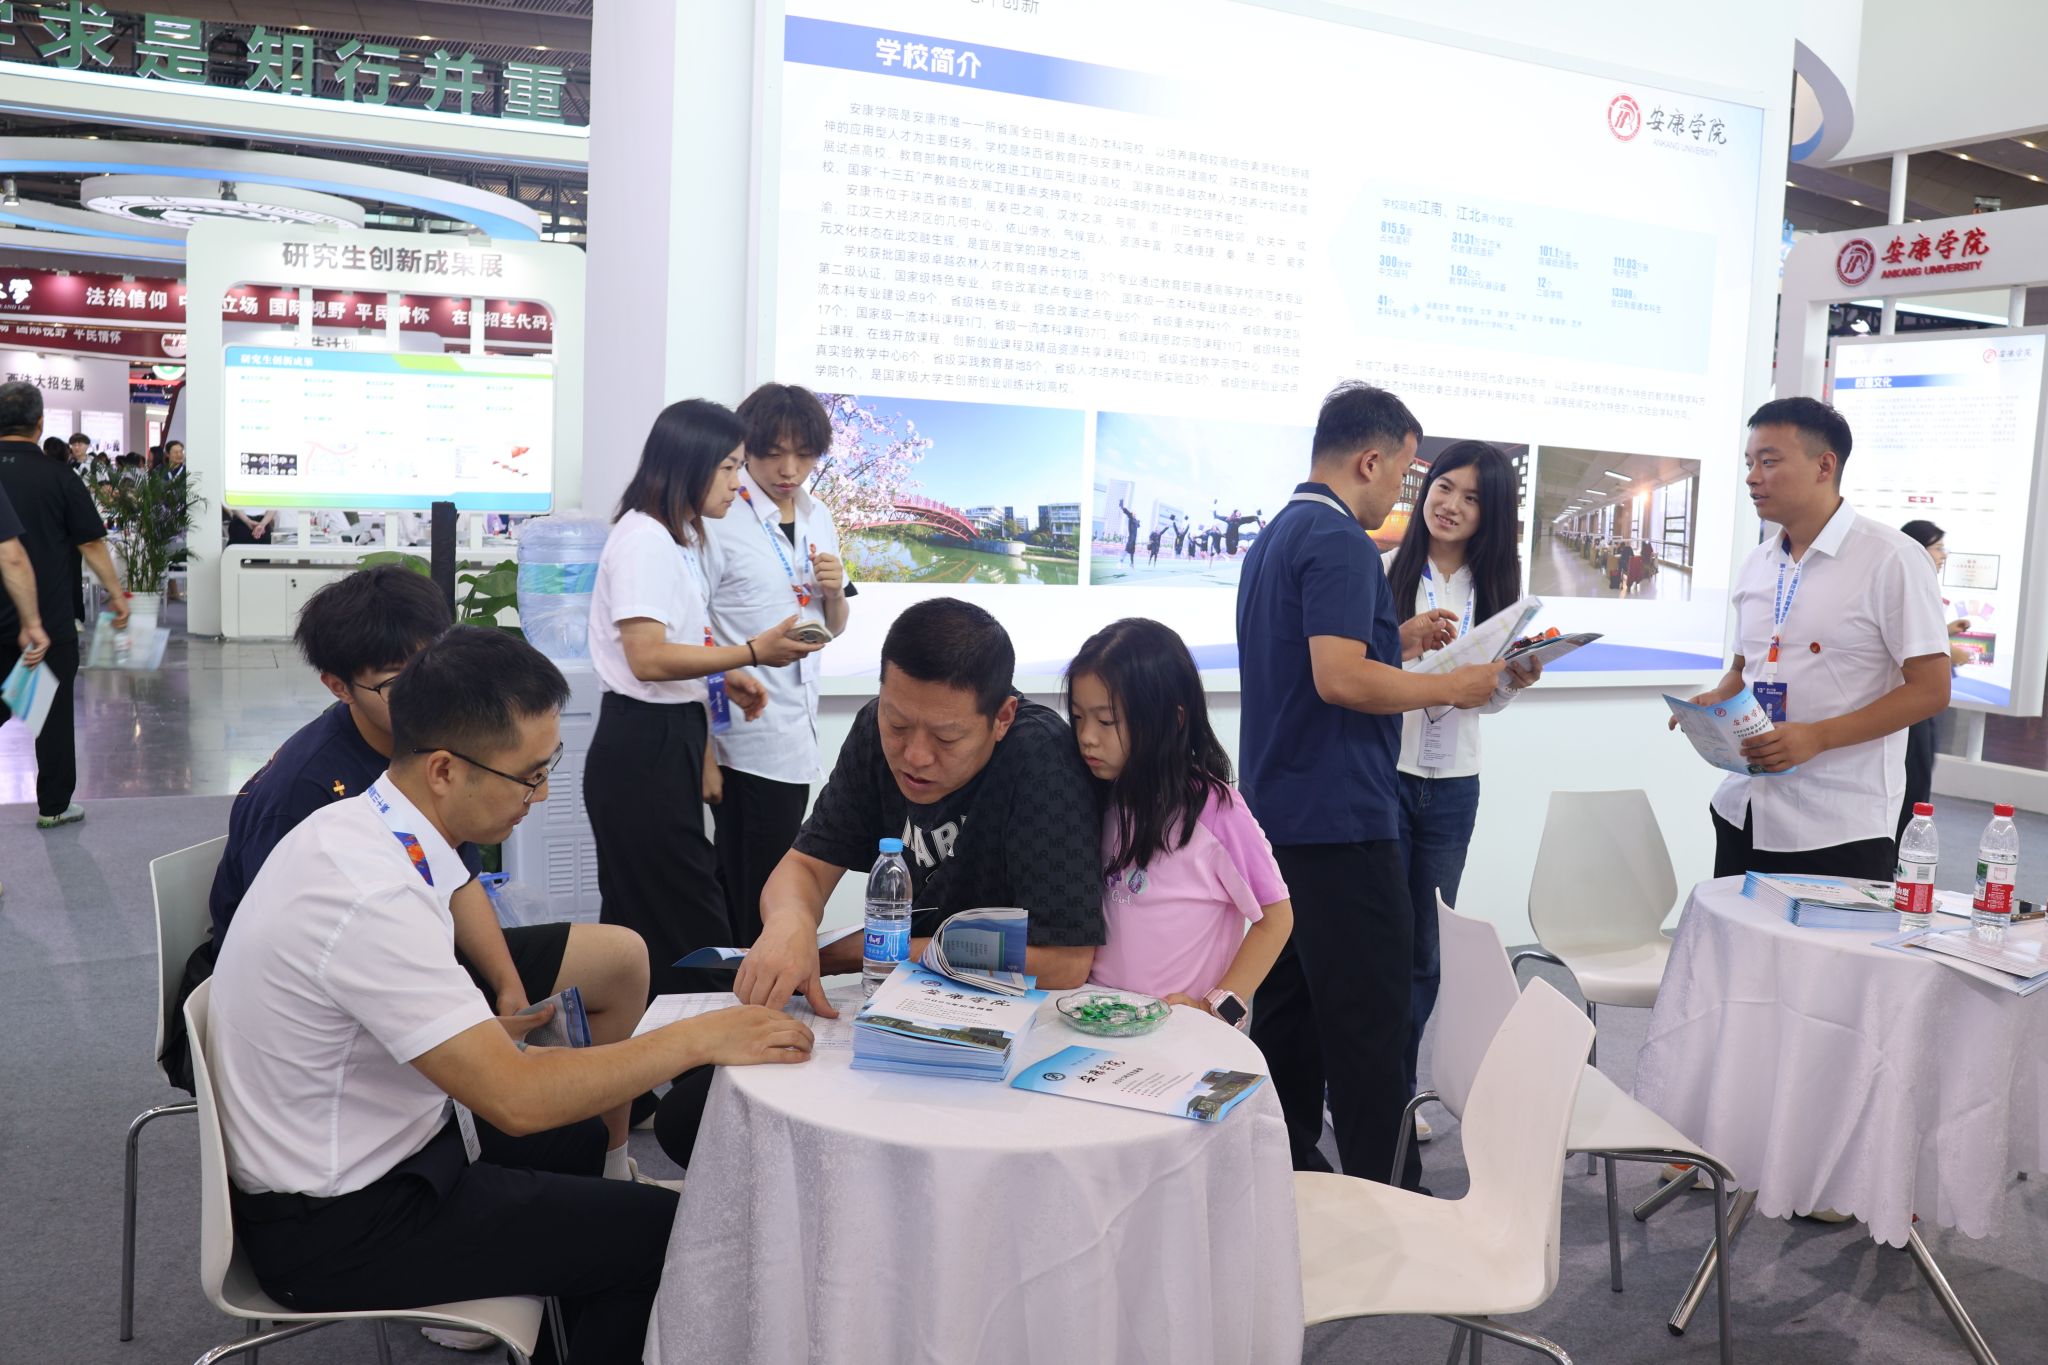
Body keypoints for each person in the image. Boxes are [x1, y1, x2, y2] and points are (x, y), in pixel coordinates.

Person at [207, 625, 815, 1363]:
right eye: (529, 775)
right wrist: (698, 1037)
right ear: (443, 769)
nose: (542, 793)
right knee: (668, 1236)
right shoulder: (371, 895)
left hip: (384, 1150)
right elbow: (516, 1099)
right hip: (344, 1224)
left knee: (583, 1142)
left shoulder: (366, 825)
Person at [182, 564, 660, 1186]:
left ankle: (610, 1166)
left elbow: (453, 879)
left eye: (433, 659)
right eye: (397, 680)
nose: (429, 687)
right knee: (633, 1212)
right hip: (338, 1020)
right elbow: (309, 960)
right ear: (339, 687)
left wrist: (506, 986)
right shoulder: (310, 797)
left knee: (619, 960)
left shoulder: (419, 767)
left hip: (403, 952)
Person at [657, 599, 1105, 1167]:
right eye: (898, 724)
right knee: (697, 1118)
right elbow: (805, 866)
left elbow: (1065, 961)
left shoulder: (1040, 760)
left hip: (1007, 1037)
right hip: (901, 1007)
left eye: (946, 738)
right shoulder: (873, 730)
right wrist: (791, 926)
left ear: (1002, 717)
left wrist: (858, 952)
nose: (914, 756)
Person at [1235, 381, 1503, 1188]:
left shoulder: (1280, 532)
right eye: (1409, 473)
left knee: (1291, 1016)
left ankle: (1292, 1174)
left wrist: (1398, 640)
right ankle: (1392, 1201)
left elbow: (1319, 662)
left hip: (1282, 814)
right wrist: (1452, 685)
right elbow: (1339, 678)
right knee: (1370, 1026)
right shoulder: (1343, 540)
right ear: (1371, 460)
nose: (1408, 493)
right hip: (1344, 820)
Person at [585, 398, 821, 1001]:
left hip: (665, 735)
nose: (738, 483)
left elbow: (671, 649)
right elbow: (646, 656)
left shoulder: (671, 539)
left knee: (652, 921)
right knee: (691, 922)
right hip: (644, 743)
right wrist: (752, 653)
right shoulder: (645, 539)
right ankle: (709, 1048)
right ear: (690, 464)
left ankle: (648, 1051)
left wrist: (719, 677)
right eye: (730, 467)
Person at [1673, 397, 1949, 880]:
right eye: (1749, 463)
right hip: (1744, 809)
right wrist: (1718, 701)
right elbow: (1743, 669)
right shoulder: (1758, 563)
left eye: (1769, 462)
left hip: (1837, 825)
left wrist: (1817, 737)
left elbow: (1931, 690)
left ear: (1825, 466)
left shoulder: (1892, 559)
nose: (1752, 477)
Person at [1380, 439, 1540, 1129]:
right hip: (1387, 775)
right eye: (1444, 487)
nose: (1450, 504)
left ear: (1491, 513)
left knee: (1426, 951)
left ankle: (1398, 1087)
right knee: (1379, 941)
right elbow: (1360, 677)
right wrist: (1402, 642)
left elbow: (1485, 702)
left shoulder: (1497, 596)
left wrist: (1513, 682)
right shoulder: (1384, 571)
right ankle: (1361, 1082)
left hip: (1453, 787)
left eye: (1472, 498)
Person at [1067, 617, 1293, 1020]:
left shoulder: (1215, 811)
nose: (1087, 736)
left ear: (1173, 718)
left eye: (1106, 721)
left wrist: (1215, 1008)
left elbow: (1276, 917)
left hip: (1179, 1033)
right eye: (1078, 717)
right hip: (1098, 1021)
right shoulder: (1097, 795)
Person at [703, 382, 854, 946]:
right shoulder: (719, 516)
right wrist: (706, 747)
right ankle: (751, 983)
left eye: (805, 454)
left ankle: (754, 978)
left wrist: (835, 593)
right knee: (751, 888)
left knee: (767, 879)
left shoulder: (819, 515)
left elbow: (834, 625)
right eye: (773, 454)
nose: (789, 470)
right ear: (747, 448)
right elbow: (694, 632)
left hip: (798, 730)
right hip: (743, 733)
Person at [0, 380, 127, 828]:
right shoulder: (59, 477)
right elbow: (91, 543)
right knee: (51, 713)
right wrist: (116, 595)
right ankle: (54, 805)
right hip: (48, 619)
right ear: (40, 423)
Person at [1895, 520, 1976, 841]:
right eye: (1938, 548)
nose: (1944, 555)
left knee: (1919, 775)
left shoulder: (1918, 582)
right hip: (1910, 702)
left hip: (1920, 703)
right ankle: (1902, 852)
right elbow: (1907, 640)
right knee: (1913, 779)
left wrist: (1946, 632)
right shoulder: (1908, 583)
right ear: (1917, 549)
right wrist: (1950, 652)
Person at [1118, 497, 1140, 566]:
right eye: (1133, 513)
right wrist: (1122, 507)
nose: (1135, 514)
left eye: (1135, 514)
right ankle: (1120, 562)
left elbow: (1138, 525)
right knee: (1127, 549)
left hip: (1134, 539)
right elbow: (1127, 512)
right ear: (1132, 513)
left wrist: (1138, 522)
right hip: (1131, 538)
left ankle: (1132, 563)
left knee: (1132, 552)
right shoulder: (1130, 518)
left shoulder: (1135, 520)